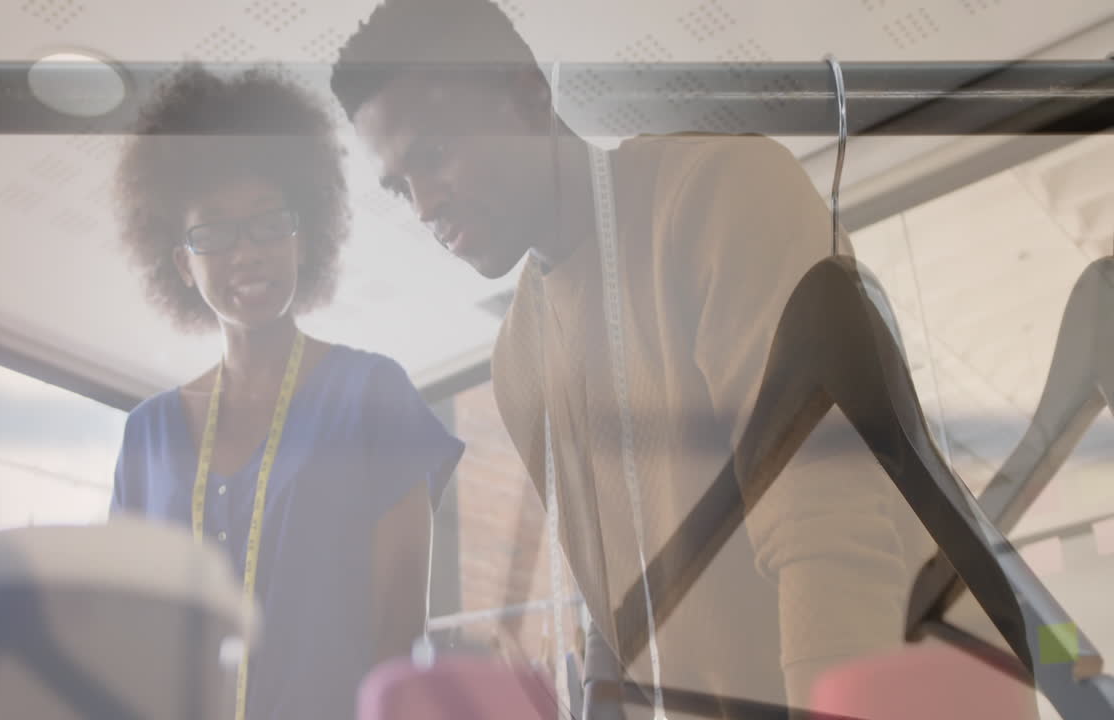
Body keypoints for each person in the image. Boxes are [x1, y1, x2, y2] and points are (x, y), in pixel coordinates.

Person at [331, 1, 926, 716]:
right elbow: (617, 604)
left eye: (434, 153)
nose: (424, 205)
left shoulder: (723, 195)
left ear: (528, 93)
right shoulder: (517, 357)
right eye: (399, 185)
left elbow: (827, 533)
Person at [108, 64, 465, 720]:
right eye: (213, 232)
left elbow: (399, 629)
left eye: (269, 222)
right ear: (182, 262)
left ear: (305, 234)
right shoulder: (146, 437)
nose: (247, 252)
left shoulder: (372, 395)